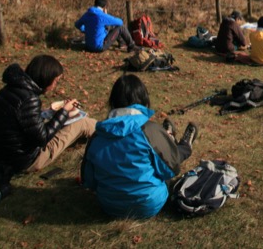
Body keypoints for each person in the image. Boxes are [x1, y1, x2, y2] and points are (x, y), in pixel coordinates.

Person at [81, 74, 197, 218]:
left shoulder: (97, 135)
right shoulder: (148, 130)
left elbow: (88, 180)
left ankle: (170, 138)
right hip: (148, 205)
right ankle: (182, 144)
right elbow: (171, 169)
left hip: (109, 206)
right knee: (165, 159)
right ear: (143, 98)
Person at [0, 55, 96, 173]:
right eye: (56, 81)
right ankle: (111, 135)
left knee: (78, 121)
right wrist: (64, 112)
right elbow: (42, 139)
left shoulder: (11, 89)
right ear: (46, 78)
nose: (55, 85)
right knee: (83, 122)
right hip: (22, 161)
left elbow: (21, 119)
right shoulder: (29, 100)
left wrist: (45, 112)